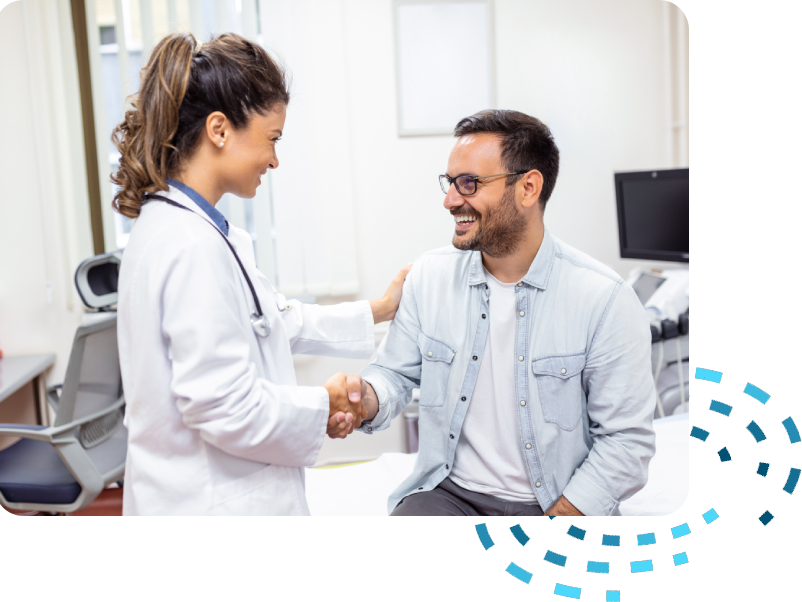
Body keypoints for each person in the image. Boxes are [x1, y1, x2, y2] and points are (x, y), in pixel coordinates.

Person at [113, 32, 410, 515]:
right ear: (219, 129)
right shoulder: (191, 246)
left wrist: (380, 310)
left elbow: (273, 319)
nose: (275, 158)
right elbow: (222, 407)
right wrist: (322, 402)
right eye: (272, 138)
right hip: (207, 499)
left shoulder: (191, 230)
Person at [346, 110, 657, 517]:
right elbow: (394, 375)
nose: (450, 200)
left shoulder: (604, 299)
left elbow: (626, 442)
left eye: (469, 184)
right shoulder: (429, 277)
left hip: (555, 502)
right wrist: (363, 400)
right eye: (450, 183)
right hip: (449, 495)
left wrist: (562, 514)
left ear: (528, 188)